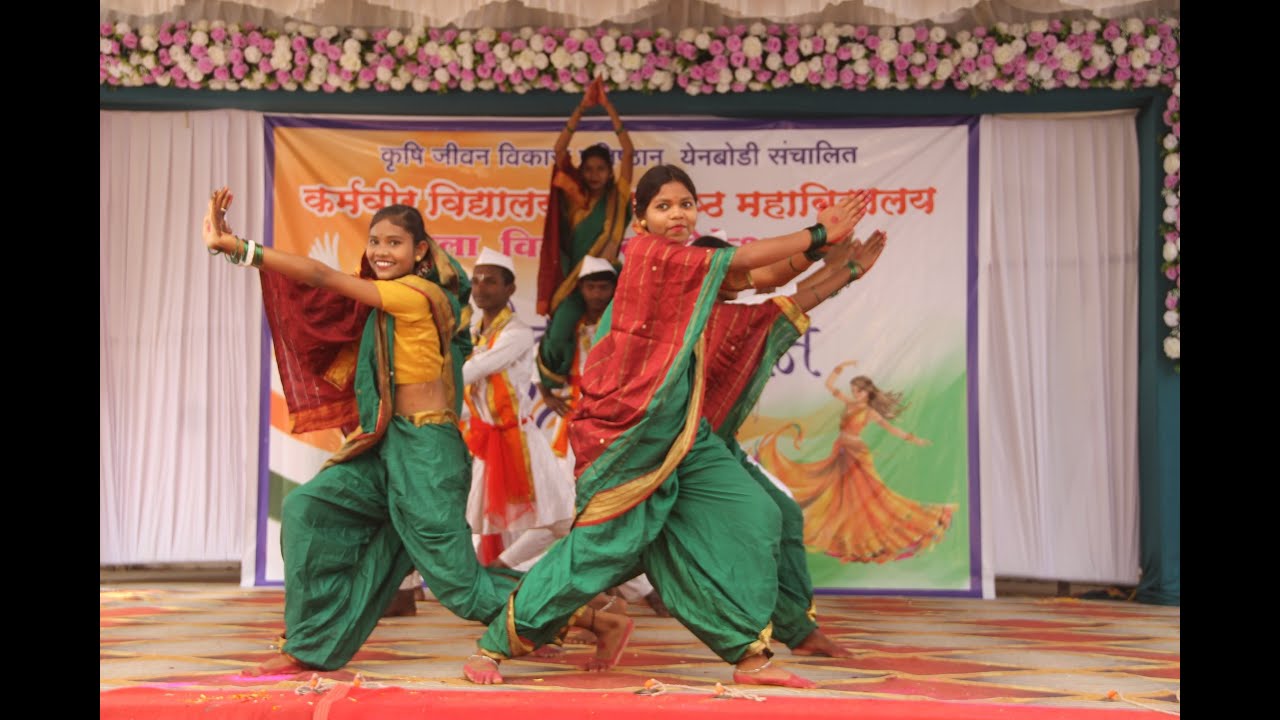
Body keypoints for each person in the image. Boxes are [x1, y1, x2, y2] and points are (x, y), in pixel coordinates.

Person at [462, 164, 871, 688]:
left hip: (685, 437)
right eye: (664, 206)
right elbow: (745, 259)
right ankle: (495, 645)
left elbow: (762, 278)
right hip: (631, 437)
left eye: (686, 204)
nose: (677, 214)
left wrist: (834, 261)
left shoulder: (694, 281)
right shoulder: (648, 257)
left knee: (759, 515)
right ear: (640, 219)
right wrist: (818, 234)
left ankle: (750, 654)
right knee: (596, 554)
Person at [201, 188, 520, 675]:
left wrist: (242, 248)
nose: (381, 252)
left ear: (420, 251)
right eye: (374, 242)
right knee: (306, 509)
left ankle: (570, 607)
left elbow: (321, 276)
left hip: (426, 454)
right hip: (384, 443)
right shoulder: (386, 301)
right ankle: (307, 645)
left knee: (457, 584)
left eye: (394, 243)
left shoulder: (416, 294)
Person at [690, 232, 885, 658]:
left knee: (782, 514)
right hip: (678, 452)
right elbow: (789, 302)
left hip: (715, 443)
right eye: (728, 269)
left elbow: (781, 290)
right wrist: (844, 269)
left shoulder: (725, 313)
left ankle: (798, 630)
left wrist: (837, 267)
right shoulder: (699, 321)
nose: (738, 276)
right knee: (614, 550)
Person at [537, 255, 672, 618]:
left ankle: (639, 588)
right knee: (574, 506)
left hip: (618, 424)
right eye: (591, 286)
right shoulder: (570, 326)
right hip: (578, 425)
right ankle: (615, 589)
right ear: (580, 289)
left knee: (614, 502)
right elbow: (549, 368)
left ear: (616, 288)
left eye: (604, 286)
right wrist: (550, 395)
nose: (597, 293)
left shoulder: (628, 322)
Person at [758, 362, 956, 563]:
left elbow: (891, 429)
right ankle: (841, 532)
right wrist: (840, 368)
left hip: (856, 455)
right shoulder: (849, 404)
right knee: (835, 492)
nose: (854, 394)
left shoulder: (870, 412)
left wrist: (913, 439)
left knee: (863, 496)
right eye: (853, 390)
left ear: (866, 392)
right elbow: (830, 386)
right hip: (841, 451)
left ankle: (868, 536)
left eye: (857, 391)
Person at [461, 248, 576, 571]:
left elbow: (470, 372)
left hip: (521, 438)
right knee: (475, 522)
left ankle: (499, 568)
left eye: (491, 282)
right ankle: (481, 574)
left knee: (561, 518)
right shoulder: (471, 333)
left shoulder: (517, 333)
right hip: (483, 440)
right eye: (477, 281)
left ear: (510, 289)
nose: (481, 288)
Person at [535, 77, 634, 402]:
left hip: (610, 281)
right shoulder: (573, 198)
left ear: (609, 172)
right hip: (574, 283)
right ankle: (552, 385)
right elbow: (559, 150)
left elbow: (629, 151)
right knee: (562, 326)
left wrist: (608, 108)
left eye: (600, 169)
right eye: (588, 168)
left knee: (628, 336)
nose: (594, 175)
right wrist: (581, 108)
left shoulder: (617, 199)